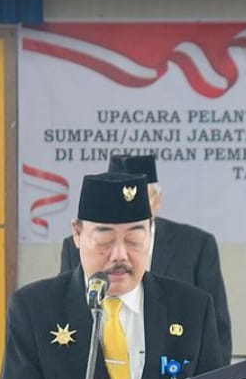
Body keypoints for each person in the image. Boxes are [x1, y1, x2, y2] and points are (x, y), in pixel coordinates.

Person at [0, 172, 226, 379]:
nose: (119, 255)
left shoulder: (192, 307)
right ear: (77, 233)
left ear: (151, 234)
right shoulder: (35, 307)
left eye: (134, 239)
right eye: (104, 241)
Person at [60, 154, 232, 365]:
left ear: (157, 200)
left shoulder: (195, 245)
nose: (119, 254)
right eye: (105, 240)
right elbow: (66, 308)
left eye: (141, 197)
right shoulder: (76, 247)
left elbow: (217, 331)